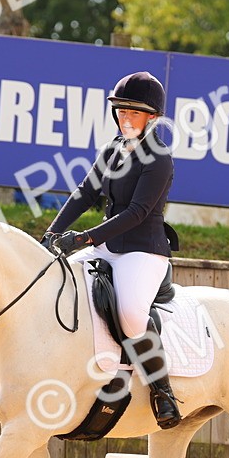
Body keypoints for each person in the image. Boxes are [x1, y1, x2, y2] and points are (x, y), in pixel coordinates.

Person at [43, 71, 182, 429]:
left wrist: (85, 238)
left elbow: (137, 213)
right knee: (57, 282)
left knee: (133, 315)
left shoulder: (159, 158)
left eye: (133, 113)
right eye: (120, 111)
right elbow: (84, 194)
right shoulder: (111, 149)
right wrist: (52, 233)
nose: (124, 118)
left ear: (151, 117)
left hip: (143, 250)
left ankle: (161, 390)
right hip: (105, 245)